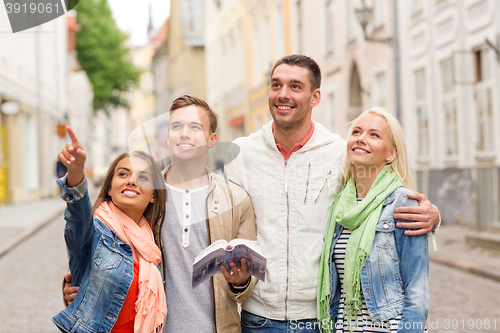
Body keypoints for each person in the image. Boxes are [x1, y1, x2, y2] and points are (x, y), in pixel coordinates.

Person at [224, 55, 439, 332]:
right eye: (276, 85)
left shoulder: (341, 154)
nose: (283, 94)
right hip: (258, 319)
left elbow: (376, 198)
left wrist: (433, 215)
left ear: (315, 97)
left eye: (295, 86)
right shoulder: (241, 154)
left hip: (320, 320)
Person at [63, 95, 258, 333]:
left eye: (195, 127)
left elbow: (250, 281)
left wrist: (241, 281)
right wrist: (82, 285)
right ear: (168, 137)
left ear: (212, 139)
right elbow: (94, 236)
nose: (185, 133)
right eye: (177, 126)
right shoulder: (144, 195)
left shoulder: (236, 200)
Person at [317, 108, 429, 333]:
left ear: (391, 153)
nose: (361, 138)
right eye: (356, 132)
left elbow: (417, 291)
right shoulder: (339, 206)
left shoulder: (403, 204)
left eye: (374, 135)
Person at [52, 126, 167, 333]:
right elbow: (78, 213)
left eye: (143, 178)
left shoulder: (152, 246)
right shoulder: (94, 230)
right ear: (110, 188)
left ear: (153, 196)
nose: (131, 180)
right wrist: (76, 171)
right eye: (123, 174)